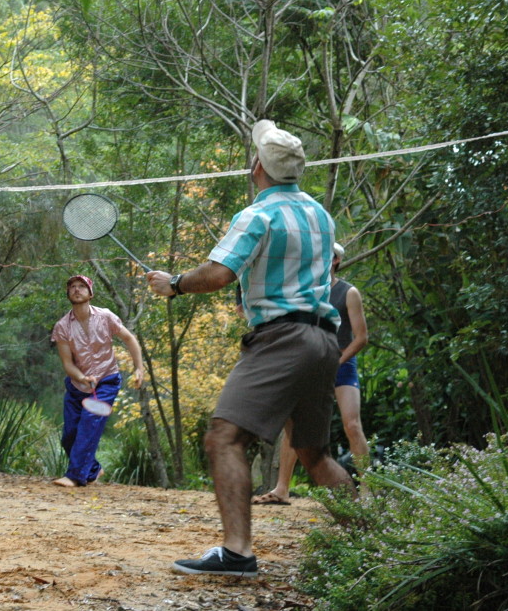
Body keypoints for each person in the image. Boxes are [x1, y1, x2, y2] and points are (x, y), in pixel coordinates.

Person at [146, 120, 356, 577]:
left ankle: (237, 553)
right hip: (324, 340)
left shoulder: (258, 214)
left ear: (256, 166)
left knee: (225, 437)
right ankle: (376, 537)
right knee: (313, 454)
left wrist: (175, 284)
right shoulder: (321, 215)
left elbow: (221, 274)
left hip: (283, 338)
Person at [253, 241, 370, 506]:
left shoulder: (348, 292)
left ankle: (367, 490)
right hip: (307, 365)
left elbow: (361, 338)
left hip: (341, 364)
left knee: (352, 424)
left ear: (336, 260)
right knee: (295, 428)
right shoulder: (303, 293)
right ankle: (282, 489)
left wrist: (337, 360)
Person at [50, 274, 145, 487]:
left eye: (81, 286)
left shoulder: (106, 316)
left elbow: (129, 339)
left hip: (106, 381)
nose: (76, 289)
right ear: (68, 294)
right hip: (77, 385)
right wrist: (82, 377)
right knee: (69, 436)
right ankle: (93, 469)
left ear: (90, 293)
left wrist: (139, 368)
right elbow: (68, 364)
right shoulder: (62, 326)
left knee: (89, 423)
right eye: (72, 286)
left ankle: (75, 476)